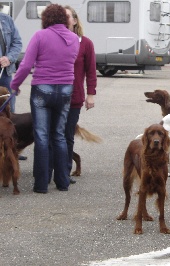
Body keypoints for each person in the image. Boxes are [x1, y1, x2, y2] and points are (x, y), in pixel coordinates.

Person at [10, 4, 79, 193]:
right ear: (64, 20)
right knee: (59, 135)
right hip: (65, 89)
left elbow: (25, 65)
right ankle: (63, 182)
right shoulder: (74, 39)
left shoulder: (40, 36)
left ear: (46, 19)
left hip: (42, 88)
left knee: (41, 136)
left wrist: (15, 85)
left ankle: (41, 185)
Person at [64, 5, 97, 184]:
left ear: (75, 21)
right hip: (54, 97)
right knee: (53, 135)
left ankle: (64, 172)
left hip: (75, 97)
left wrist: (90, 94)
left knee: (68, 135)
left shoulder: (85, 43)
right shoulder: (55, 40)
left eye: (67, 17)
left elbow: (91, 71)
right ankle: (50, 170)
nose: (64, 20)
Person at [0, 4, 22, 114]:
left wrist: (9, 58)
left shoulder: (6, 20)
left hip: (5, 74)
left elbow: (17, 42)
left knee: (9, 111)